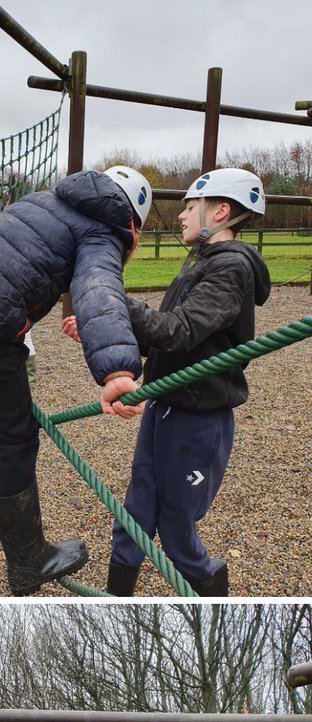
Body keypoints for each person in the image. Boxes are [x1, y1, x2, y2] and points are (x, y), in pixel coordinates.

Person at [0, 165, 152, 595]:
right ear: (133, 222)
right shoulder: (107, 230)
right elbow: (98, 292)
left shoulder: (49, 198)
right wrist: (117, 369)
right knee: (18, 439)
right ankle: (28, 561)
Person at [95, 168, 271, 597]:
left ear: (221, 210)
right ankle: (115, 598)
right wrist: (106, 326)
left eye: (190, 207)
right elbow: (167, 342)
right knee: (134, 513)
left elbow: (178, 330)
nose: (181, 216)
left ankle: (212, 593)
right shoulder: (200, 263)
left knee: (176, 526)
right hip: (164, 406)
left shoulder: (231, 268)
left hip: (198, 417)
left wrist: (113, 300)